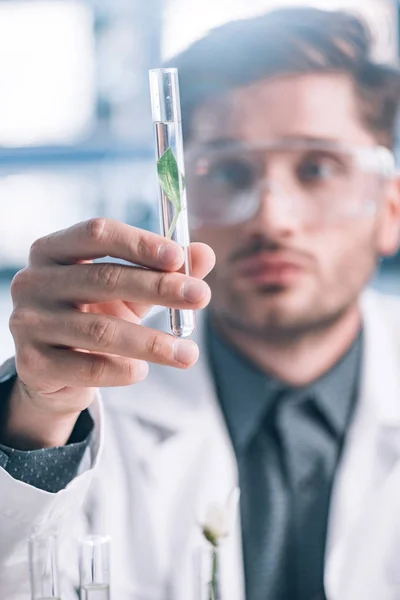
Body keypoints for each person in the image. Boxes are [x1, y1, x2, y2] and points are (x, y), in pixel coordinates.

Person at [1, 7, 400, 600]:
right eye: (230, 171)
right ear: (177, 193)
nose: (272, 218)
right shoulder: (91, 398)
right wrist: (36, 420)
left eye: (318, 168)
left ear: (389, 210)